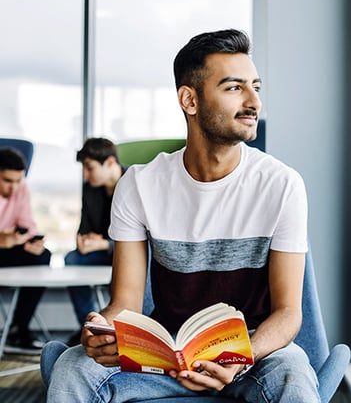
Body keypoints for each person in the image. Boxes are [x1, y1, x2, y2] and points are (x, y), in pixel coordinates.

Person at [46, 29, 319, 402]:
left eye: (256, 87)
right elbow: (124, 303)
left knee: (294, 376)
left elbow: (288, 313)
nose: (254, 101)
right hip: (164, 354)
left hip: (252, 353)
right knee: (73, 367)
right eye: (234, 88)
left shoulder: (283, 185)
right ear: (189, 99)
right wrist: (101, 329)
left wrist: (241, 357)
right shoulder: (140, 185)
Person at [64, 138, 124, 346]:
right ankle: (89, 326)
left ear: (109, 162)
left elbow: (146, 241)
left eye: (89, 168)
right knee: (72, 258)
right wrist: (84, 241)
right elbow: (84, 227)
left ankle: (118, 325)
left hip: (128, 254)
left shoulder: (134, 183)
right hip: (101, 252)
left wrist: (105, 244)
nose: (85, 175)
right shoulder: (90, 188)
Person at [0, 147, 50, 354]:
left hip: (10, 247)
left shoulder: (22, 188)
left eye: (18, 181)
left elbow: (27, 224)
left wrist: (32, 241)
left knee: (42, 256)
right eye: (7, 181)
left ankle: (19, 327)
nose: (14, 187)